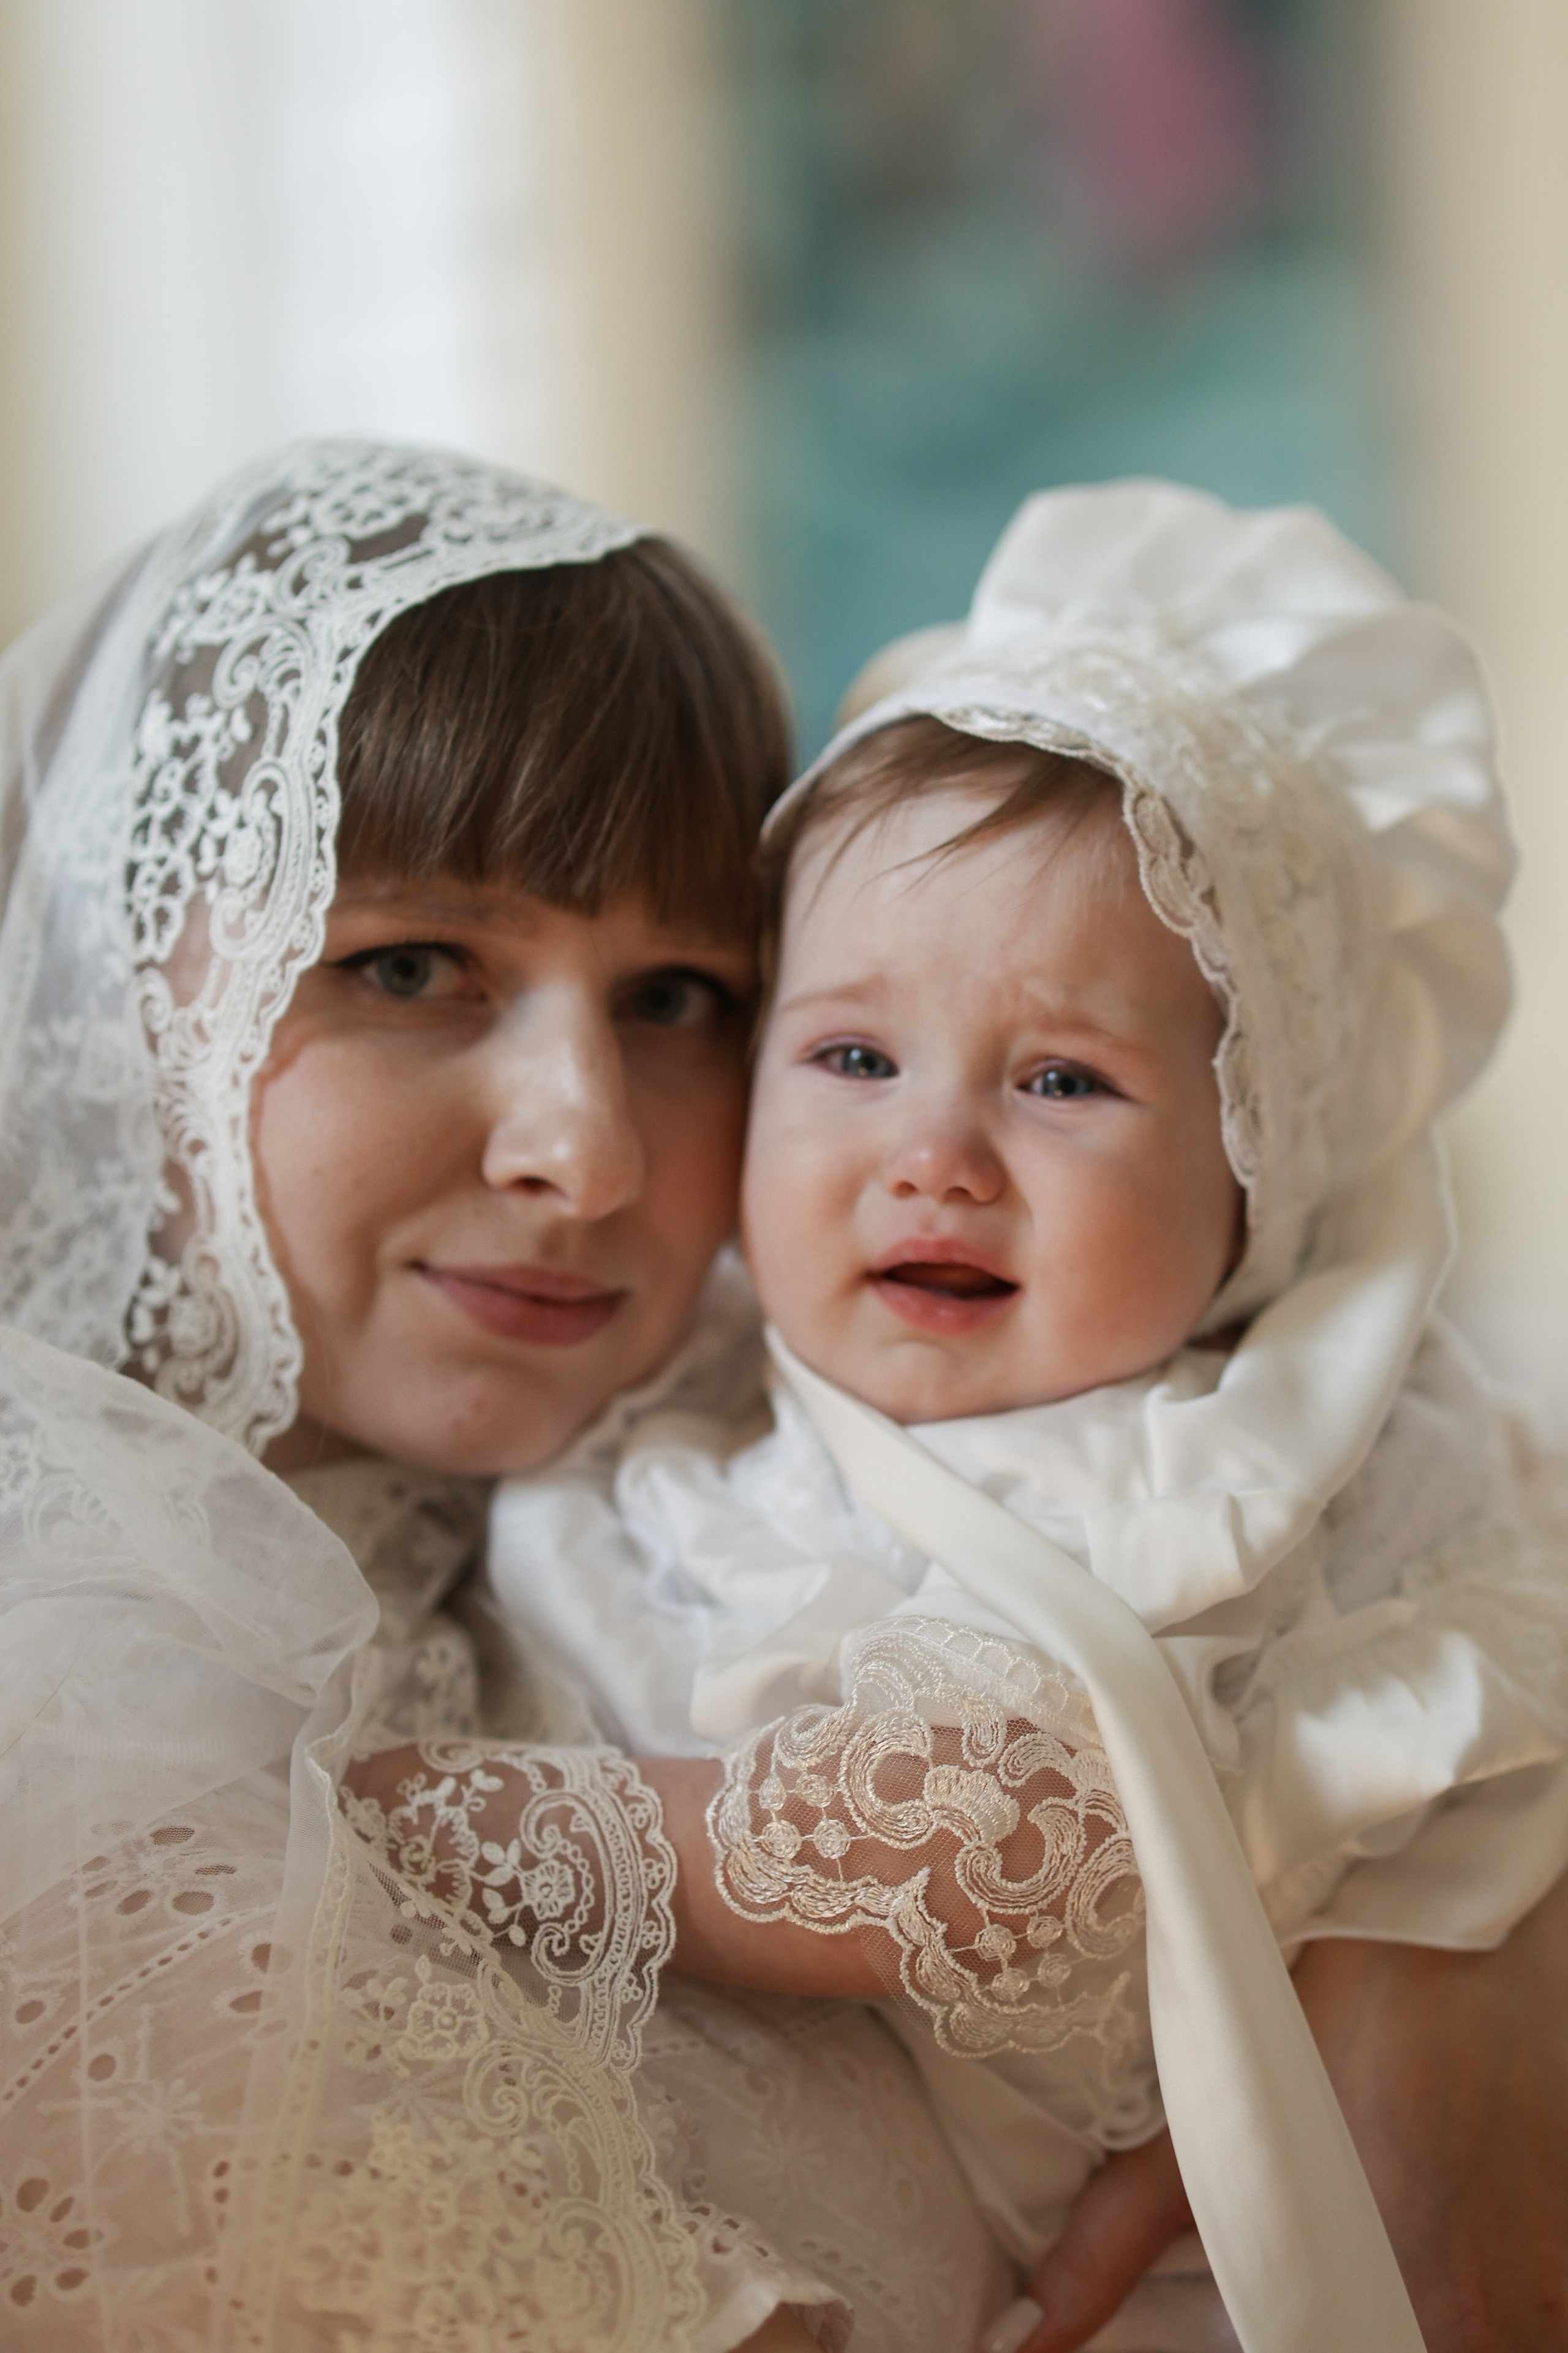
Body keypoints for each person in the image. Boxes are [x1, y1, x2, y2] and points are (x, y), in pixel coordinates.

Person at [485, 482, 1568, 2350]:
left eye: (1063, 1077)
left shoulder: (1206, 1464)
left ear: (1255, 1177)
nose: (934, 1155)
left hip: (1192, 2265)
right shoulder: (695, 1383)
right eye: (849, 1055)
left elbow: (947, 1841)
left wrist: (478, 1824)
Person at [0, 438, 1011, 2352]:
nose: (592, 1151)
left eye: (681, 997)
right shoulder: (63, 1696)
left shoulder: (768, 1477)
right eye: (409, 963)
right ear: (123, 998)